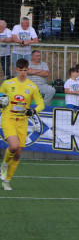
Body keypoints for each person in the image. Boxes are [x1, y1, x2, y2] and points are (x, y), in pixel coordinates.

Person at [0, 59, 46, 190]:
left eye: (25, 70)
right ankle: (3, 167)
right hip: (8, 119)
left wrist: (33, 110)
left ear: (28, 70)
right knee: (14, 146)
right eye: (20, 70)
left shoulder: (32, 86)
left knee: (18, 153)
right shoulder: (7, 84)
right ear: (16, 70)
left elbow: (41, 104)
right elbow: (0, 97)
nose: (23, 73)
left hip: (22, 122)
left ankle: (7, 181)